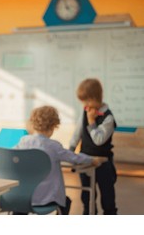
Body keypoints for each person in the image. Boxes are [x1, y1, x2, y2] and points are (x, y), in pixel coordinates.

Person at [15, 105, 105, 215]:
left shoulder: (23, 141)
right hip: (47, 199)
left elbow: (11, 155)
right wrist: (92, 160)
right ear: (54, 126)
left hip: (24, 197)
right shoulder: (54, 146)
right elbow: (74, 158)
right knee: (65, 202)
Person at [69, 78, 118, 215]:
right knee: (87, 196)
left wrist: (91, 123)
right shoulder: (85, 112)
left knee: (107, 197)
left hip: (104, 163)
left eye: (87, 101)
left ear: (95, 98)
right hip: (85, 160)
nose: (85, 105)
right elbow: (76, 134)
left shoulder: (108, 118)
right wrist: (70, 151)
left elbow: (99, 140)